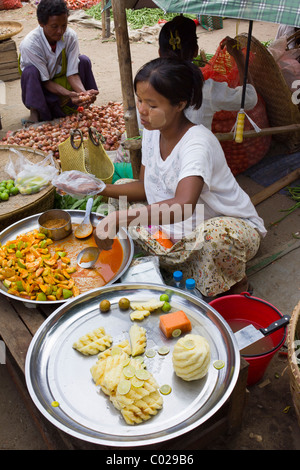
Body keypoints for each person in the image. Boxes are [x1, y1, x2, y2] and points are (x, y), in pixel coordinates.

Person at [91, 57, 266, 298]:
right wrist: (98, 187)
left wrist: (121, 218)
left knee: (217, 237)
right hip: (172, 232)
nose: (141, 110)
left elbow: (184, 205)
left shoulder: (197, 144)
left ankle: (233, 284)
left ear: (179, 105)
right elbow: (145, 187)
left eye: (152, 105)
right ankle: (176, 263)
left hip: (218, 231)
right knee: (120, 189)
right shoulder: (152, 132)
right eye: (140, 100)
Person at [158, 15, 258, 130]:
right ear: (196, 51)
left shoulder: (147, 86)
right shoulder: (206, 90)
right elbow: (250, 99)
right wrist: (239, 57)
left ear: (160, 52)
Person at [19, 0, 99, 123]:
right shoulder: (30, 44)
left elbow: (72, 73)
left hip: (61, 78)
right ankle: (36, 113)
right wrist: (69, 94)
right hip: (42, 86)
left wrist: (83, 94)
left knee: (83, 61)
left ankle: (84, 106)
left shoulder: (70, 36)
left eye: (64, 25)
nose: (60, 31)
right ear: (41, 23)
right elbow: (45, 81)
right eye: (54, 26)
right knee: (30, 72)